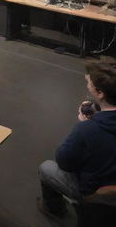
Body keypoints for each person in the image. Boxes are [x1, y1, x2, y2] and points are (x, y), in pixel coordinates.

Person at [38, 57, 116, 217]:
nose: (88, 87)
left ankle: (54, 208)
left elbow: (65, 161)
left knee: (46, 167)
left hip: (96, 192)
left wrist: (85, 123)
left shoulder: (87, 129)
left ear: (100, 93)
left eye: (90, 85)